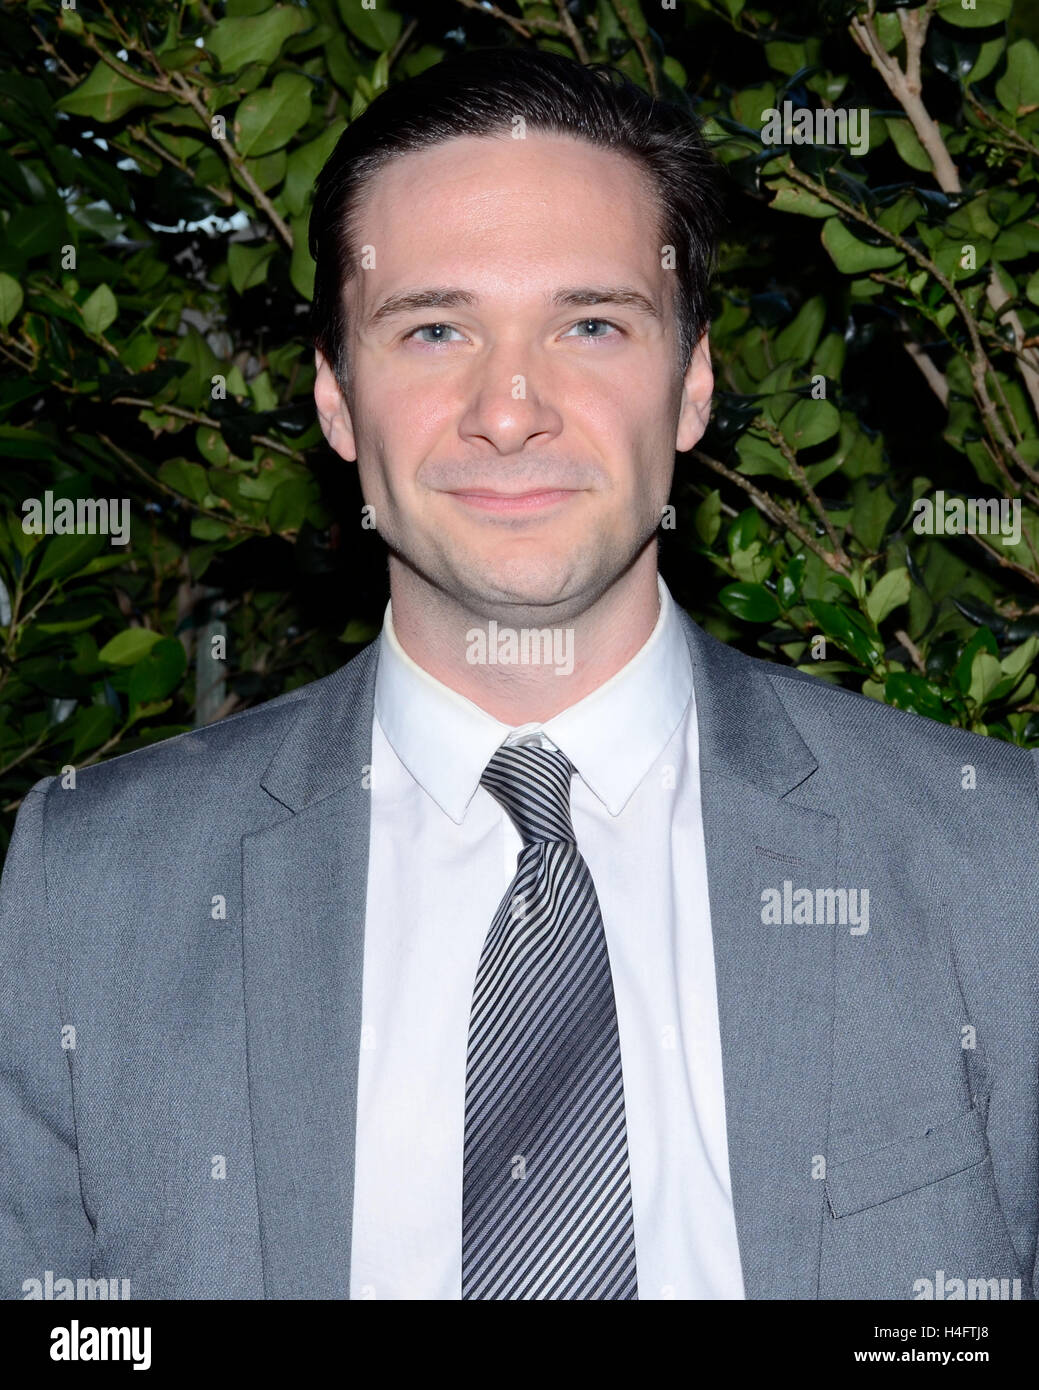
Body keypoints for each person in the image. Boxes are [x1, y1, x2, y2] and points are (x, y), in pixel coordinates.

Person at [1, 46, 1036, 1303]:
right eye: (435, 328)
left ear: (692, 385)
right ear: (335, 400)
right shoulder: (92, 893)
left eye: (589, 323)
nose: (509, 408)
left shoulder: (993, 860)